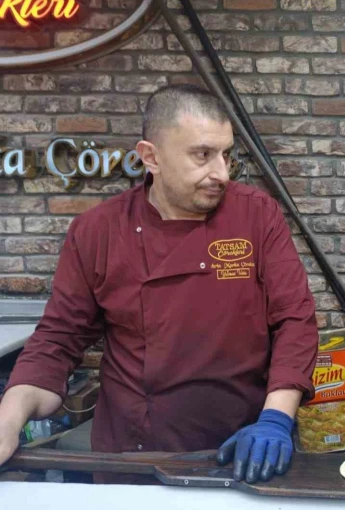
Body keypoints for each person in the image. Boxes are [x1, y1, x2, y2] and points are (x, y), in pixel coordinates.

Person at [0, 84, 319, 484]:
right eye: (202, 155)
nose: (220, 172)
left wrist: (275, 418)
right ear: (151, 156)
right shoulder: (97, 231)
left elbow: (295, 321)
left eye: (226, 155)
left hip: (239, 448)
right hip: (132, 457)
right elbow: (58, 340)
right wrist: (8, 420)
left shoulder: (257, 215)